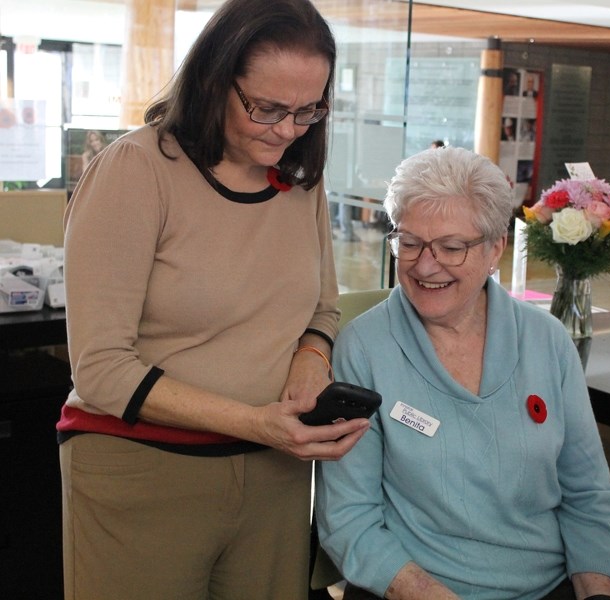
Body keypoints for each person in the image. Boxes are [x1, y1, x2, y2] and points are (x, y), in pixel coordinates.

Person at [58, 1, 370, 599]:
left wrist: (311, 360)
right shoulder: (135, 170)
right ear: (212, 79)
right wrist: (256, 422)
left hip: (275, 473)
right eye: (267, 108)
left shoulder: (298, 177)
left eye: (309, 109)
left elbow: (322, 310)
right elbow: (100, 369)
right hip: (144, 471)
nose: (288, 129)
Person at [316, 147, 610, 600]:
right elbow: (349, 518)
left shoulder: (548, 341)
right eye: (410, 242)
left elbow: (588, 496)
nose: (425, 265)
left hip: (546, 588)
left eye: (452, 247)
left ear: (495, 248)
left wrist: (597, 592)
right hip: (416, 590)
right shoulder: (364, 347)